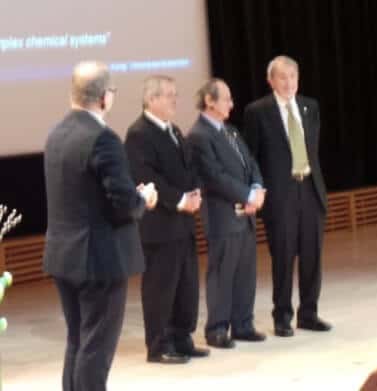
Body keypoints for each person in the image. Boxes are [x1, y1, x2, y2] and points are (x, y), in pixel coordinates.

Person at [43, 61, 158, 391]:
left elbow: (83, 194)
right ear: (105, 97)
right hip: (100, 259)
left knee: (78, 341)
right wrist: (144, 199)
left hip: (65, 256)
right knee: (96, 349)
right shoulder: (103, 138)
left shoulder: (56, 134)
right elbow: (123, 204)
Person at [243, 55, 331, 337]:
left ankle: (309, 313)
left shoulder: (310, 107)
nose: (289, 82)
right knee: (282, 256)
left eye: (293, 76)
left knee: (312, 255)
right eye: (282, 77)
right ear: (271, 81)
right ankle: (282, 316)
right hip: (280, 195)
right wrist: (257, 190)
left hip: (309, 189)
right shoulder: (258, 111)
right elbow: (251, 156)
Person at [125, 75, 209, 364]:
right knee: (161, 287)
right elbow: (147, 179)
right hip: (159, 227)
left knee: (186, 285)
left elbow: (189, 167)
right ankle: (158, 345)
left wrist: (195, 191)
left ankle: (182, 338)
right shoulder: (138, 134)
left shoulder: (173, 129)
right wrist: (182, 200)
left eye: (175, 94)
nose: (175, 99)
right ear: (151, 100)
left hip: (183, 224)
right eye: (169, 95)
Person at [188, 78, 266, 348]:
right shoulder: (199, 135)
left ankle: (243, 324)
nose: (232, 104)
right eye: (226, 99)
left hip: (245, 215)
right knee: (222, 273)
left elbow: (251, 162)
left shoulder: (230, 131)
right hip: (222, 216)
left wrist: (256, 188)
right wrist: (247, 195)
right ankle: (217, 329)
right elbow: (214, 176)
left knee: (245, 271)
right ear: (209, 101)